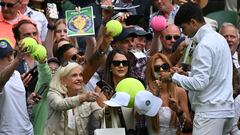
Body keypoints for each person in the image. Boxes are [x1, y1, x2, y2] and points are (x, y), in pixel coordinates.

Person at [160, 3, 235, 135]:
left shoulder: (204, 45)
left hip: (209, 113)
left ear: (193, 22)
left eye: (183, 28)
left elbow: (200, 83)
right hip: (226, 111)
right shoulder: (220, 39)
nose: (183, 33)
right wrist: (188, 74)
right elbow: (214, 75)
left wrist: (172, 77)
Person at [44, 62, 104, 135]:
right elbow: (59, 104)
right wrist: (82, 98)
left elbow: (101, 116)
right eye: (74, 75)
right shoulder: (53, 93)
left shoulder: (86, 97)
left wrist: (111, 106)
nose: (79, 78)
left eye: (80, 75)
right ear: (63, 80)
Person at [145, 53, 192, 135]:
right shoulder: (146, 94)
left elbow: (188, 126)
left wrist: (179, 111)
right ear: (151, 72)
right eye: (156, 68)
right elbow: (137, 118)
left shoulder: (180, 92)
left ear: (169, 69)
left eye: (165, 67)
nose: (161, 70)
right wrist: (153, 97)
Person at [0, 38, 35, 134]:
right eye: (4, 57)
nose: (10, 58)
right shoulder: (3, 77)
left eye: (11, 54)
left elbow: (11, 103)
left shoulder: (16, 74)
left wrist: (28, 101)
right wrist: (17, 60)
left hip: (28, 131)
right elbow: (2, 81)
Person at [219, 23, 240, 97]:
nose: (229, 39)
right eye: (225, 36)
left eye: (232, 36)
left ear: (238, 40)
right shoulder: (214, 60)